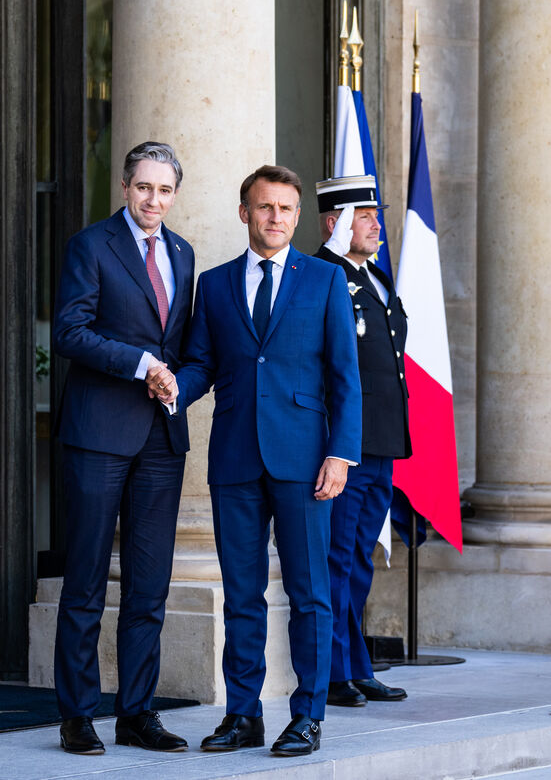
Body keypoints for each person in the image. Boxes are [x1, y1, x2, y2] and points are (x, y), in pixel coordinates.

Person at [148, 165, 361, 756]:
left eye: (285, 208)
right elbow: (201, 362)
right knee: (242, 596)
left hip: (305, 461)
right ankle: (243, 715)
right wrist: (175, 388)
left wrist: (341, 454)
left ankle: (308, 717)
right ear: (245, 213)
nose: (275, 217)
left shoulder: (324, 279)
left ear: (297, 216)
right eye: (265, 207)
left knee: (310, 594)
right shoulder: (214, 285)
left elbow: (345, 377)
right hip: (235, 459)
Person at [52, 142, 195, 755]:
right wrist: (142, 365)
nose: (153, 200)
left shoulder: (183, 253)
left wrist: (176, 381)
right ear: (124, 186)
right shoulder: (91, 245)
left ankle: (137, 713)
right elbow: (69, 331)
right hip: (98, 433)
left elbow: (181, 343)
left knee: (149, 585)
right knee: (86, 579)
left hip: (161, 437)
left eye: (164, 190)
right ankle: (77, 715)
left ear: (174, 195)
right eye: (144, 187)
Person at [314, 174, 411, 707]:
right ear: (335, 224)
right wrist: (330, 253)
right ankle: (333, 673)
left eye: (376, 216)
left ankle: (356, 665)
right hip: (346, 447)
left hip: (381, 445)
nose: (377, 226)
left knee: (358, 561)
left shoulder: (374, 278)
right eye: (365, 217)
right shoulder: (325, 274)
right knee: (337, 559)